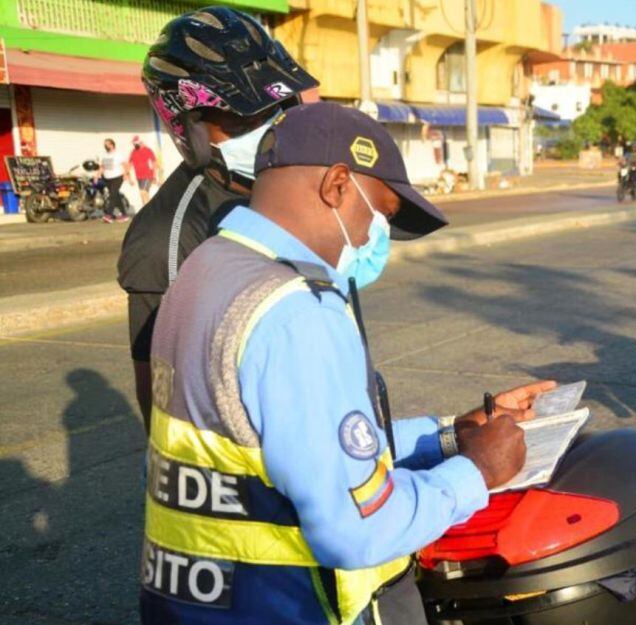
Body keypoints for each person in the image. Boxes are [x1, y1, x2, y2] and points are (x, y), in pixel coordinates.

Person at [140, 100, 555, 624]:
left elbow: (299, 445)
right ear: (336, 185)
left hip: (193, 601)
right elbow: (356, 528)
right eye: (379, 213)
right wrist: (478, 471)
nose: (370, 236)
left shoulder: (209, 267)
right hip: (286, 607)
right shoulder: (297, 312)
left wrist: (452, 434)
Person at [118, 6, 319, 431]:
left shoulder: (290, 185)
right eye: (239, 119)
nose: (266, 128)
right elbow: (162, 400)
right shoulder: (165, 238)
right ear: (189, 128)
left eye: (274, 109)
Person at [97, 138, 129, 223]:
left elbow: (125, 165)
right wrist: (97, 175)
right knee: (115, 196)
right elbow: (102, 167)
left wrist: (126, 174)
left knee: (112, 195)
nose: (105, 146)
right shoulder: (104, 155)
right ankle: (124, 214)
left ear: (112, 145)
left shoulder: (118, 154)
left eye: (107, 144)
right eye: (105, 144)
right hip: (107, 178)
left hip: (117, 177)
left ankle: (109, 215)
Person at [128, 136, 158, 204]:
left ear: (140, 142)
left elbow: (154, 162)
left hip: (148, 175)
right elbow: (129, 164)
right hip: (139, 176)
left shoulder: (148, 150)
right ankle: (148, 207)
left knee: (143, 192)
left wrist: (154, 176)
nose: (134, 145)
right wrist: (129, 178)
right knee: (144, 194)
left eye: (135, 143)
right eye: (133, 143)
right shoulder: (133, 152)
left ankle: (149, 208)